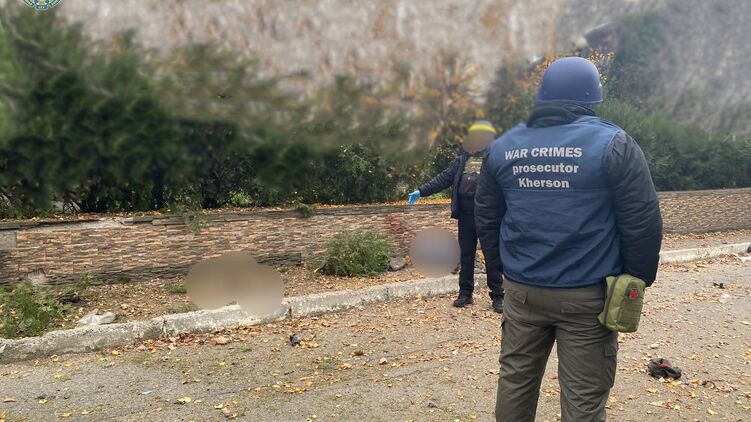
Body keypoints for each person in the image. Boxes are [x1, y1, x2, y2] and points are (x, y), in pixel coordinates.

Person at [474, 57, 663, 421]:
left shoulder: (503, 146)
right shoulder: (614, 143)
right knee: (584, 399)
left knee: (515, 381)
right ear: (592, 98)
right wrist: (635, 280)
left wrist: (503, 270)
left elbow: (487, 217)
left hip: (522, 292)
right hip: (587, 297)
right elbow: (642, 221)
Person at [408, 120, 504, 313]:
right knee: (466, 255)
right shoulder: (462, 160)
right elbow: (443, 178)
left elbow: (506, 183)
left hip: (488, 216)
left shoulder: (495, 159)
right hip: (466, 215)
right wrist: (422, 191)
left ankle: (498, 296)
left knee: (492, 256)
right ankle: (465, 293)